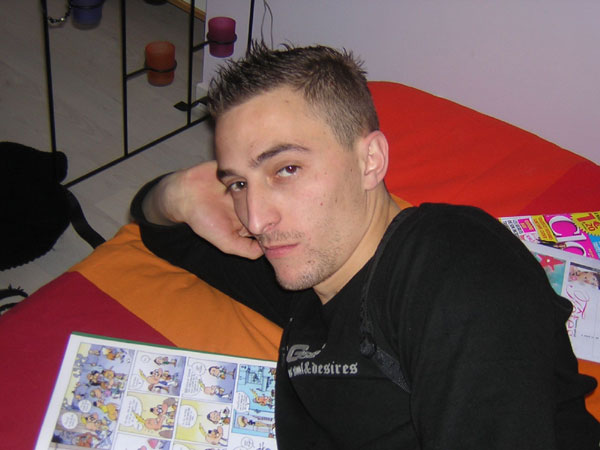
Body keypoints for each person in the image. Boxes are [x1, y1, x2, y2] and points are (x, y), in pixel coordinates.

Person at [131, 43, 600, 449]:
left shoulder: (454, 266)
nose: (256, 219)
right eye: (238, 183)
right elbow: (163, 231)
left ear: (370, 160)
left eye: (286, 169)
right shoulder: (307, 270)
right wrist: (180, 191)